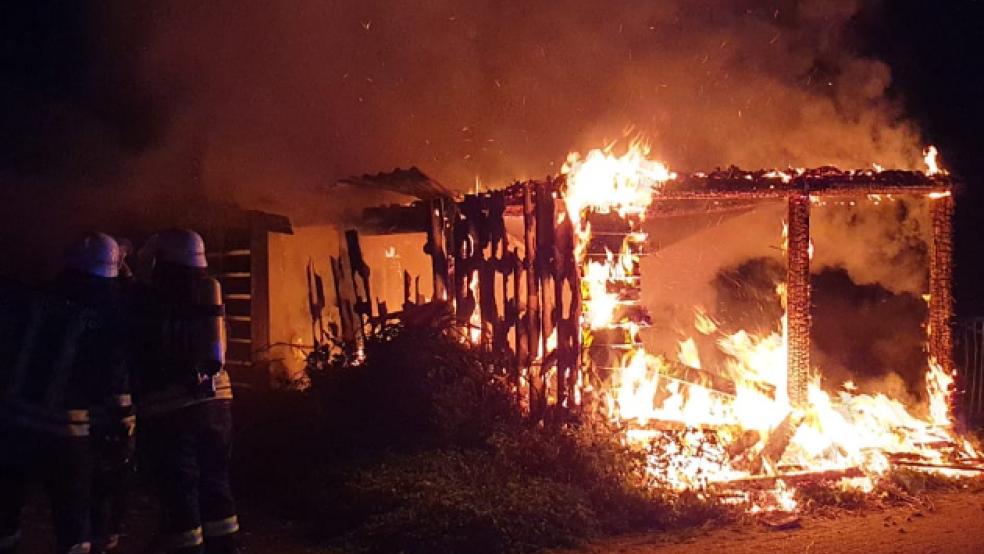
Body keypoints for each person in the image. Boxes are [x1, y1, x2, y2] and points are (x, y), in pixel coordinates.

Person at [0, 232, 130, 554]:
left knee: (6, 514)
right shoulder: (106, 315)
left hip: (14, 426)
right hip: (68, 433)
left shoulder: (33, 299)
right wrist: (121, 431)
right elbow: (114, 378)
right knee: (73, 518)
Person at [132, 229, 239, 554]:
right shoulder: (208, 292)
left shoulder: (151, 299)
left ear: (163, 260)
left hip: (171, 411)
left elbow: (142, 353)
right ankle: (225, 548)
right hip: (218, 406)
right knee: (216, 484)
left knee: (180, 492)